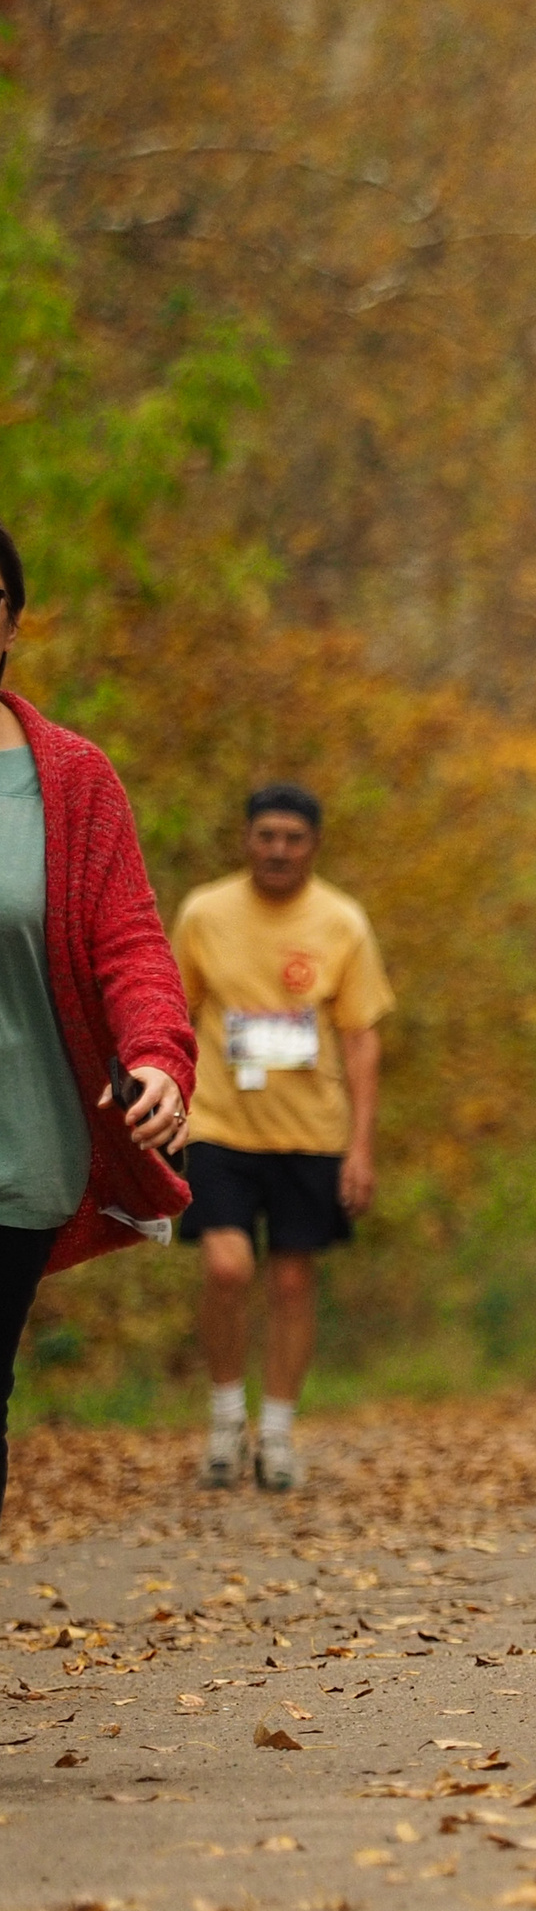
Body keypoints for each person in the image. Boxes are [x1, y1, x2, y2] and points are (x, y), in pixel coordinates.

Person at [0, 524, 194, 1516]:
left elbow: (130, 946)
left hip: (21, 1154)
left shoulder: (70, 781)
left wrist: (157, 1058)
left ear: (9, 622)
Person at [172, 782, 393, 1491]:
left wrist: (361, 1147)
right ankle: (224, 1416)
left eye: (293, 838)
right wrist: (165, 1107)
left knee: (294, 1281)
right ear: (246, 839)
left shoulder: (341, 921)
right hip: (218, 1123)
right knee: (227, 1267)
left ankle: (275, 1431)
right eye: (266, 835)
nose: (277, 849)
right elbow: (173, 1016)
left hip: (309, 1130)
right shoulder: (205, 913)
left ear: (314, 845)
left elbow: (361, 1036)